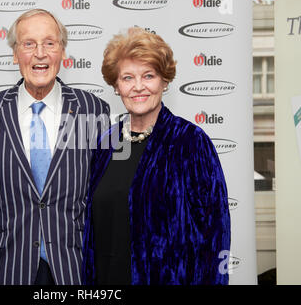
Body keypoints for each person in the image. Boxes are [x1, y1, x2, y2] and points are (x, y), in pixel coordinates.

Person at [0, 9, 110, 285]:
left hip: (74, 268)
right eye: (28, 44)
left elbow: (106, 196)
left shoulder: (92, 110)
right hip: (7, 268)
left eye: (49, 43)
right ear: (15, 54)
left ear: (62, 52)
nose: (40, 53)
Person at [82, 28, 231, 285]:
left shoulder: (190, 142)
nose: (138, 86)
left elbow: (216, 231)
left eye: (148, 75)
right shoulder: (106, 143)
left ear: (164, 80)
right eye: (127, 78)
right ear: (116, 86)